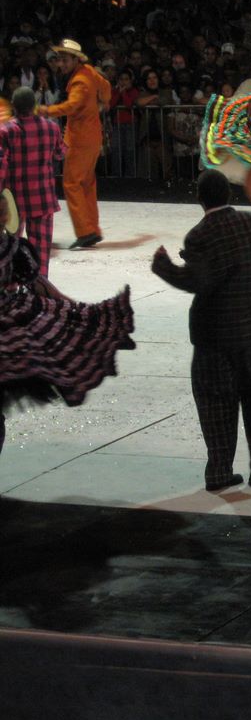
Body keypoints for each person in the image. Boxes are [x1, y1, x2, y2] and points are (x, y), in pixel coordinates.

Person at [150, 170, 251, 492]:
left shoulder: (200, 235)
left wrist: (164, 267)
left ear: (200, 199)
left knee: (215, 402)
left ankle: (219, 471)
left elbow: (197, 282)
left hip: (215, 336)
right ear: (231, 196)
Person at [1, 199, 134, 456]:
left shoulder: (14, 248)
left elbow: (38, 285)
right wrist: (77, 309)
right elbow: (40, 286)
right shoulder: (14, 248)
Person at [37, 39, 110, 250]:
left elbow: (72, 105)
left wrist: (46, 110)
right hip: (91, 137)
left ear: (75, 59)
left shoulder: (80, 81)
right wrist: (103, 102)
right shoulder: (89, 72)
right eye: (60, 59)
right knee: (86, 184)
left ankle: (86, 232)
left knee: (71, 184)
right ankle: (92, 229)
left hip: (80, 140)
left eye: (65, 59)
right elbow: (105, 87)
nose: (61, 63)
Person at [0, 87, 65, 277]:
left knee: (11, 247)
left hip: (15, 200)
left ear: (14, 106)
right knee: (41, 251)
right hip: (43, 198)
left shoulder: (5, 131)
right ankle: (40, 287)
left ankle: (11, 287)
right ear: (35, 105)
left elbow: (1, 166)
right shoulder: (52, 128)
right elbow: (60, 154)